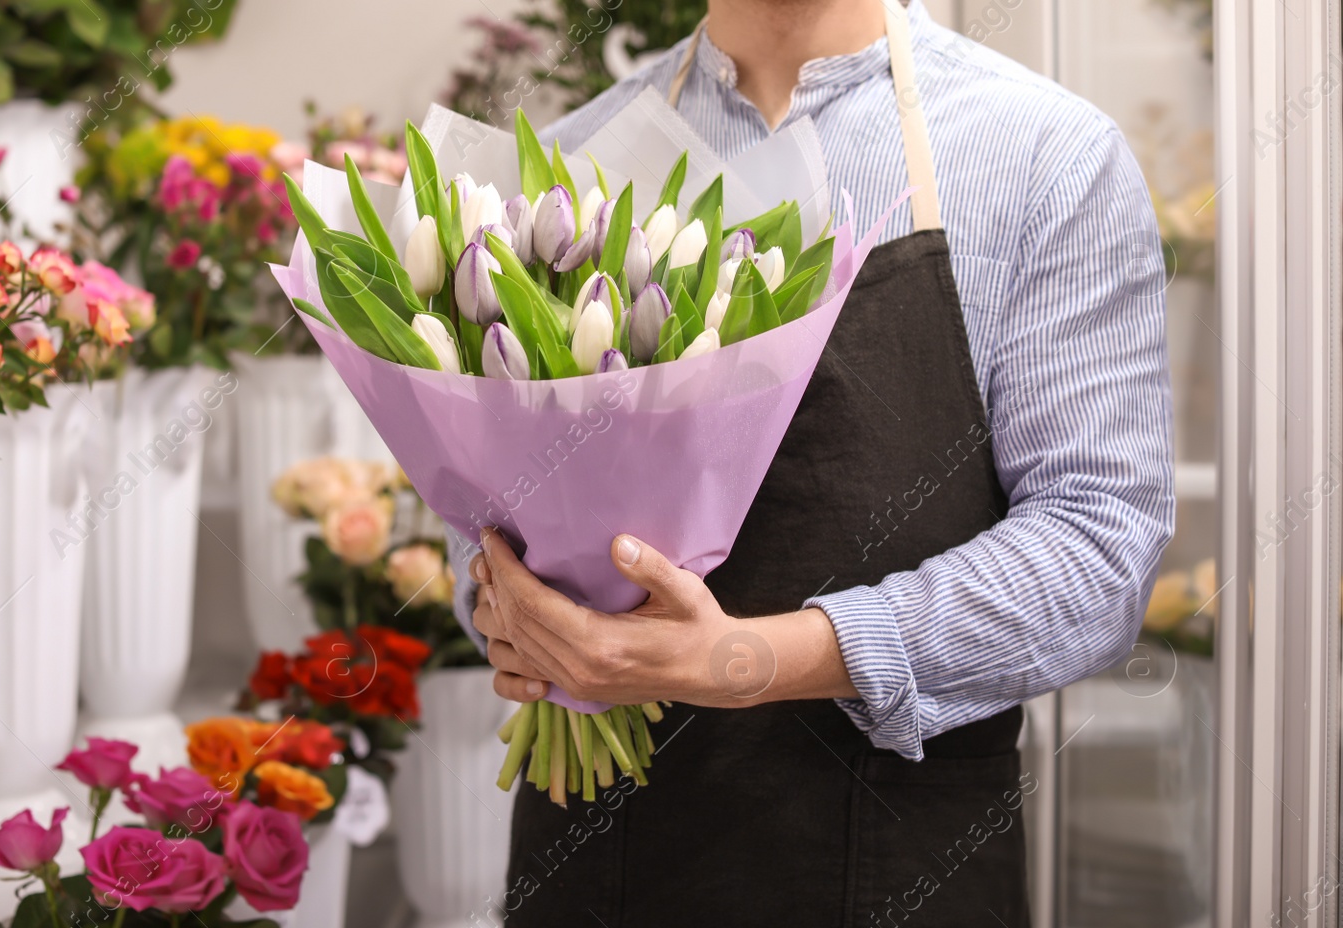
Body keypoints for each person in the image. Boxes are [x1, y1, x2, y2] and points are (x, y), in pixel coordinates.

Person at [455, 0, 1174, 924]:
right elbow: (478, 531)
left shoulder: (1045, 156)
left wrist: (748, 659)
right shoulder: (573, 166)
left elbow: (1100, 545)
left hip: (901, 850)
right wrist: (510, 618)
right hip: (605, 859)